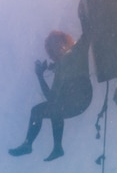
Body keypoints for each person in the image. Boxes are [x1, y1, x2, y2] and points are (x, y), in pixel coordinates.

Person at [7, 23, 93, 162]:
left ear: (66, 41)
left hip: (82, 94)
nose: (57, 48)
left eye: (58, 43)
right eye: (53, 47)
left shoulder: (78, 48)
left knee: (56, 106)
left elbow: (88, 33)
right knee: (38, 111)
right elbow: (51, 98)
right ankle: (30, 144)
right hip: (70, 103)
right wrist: (40, 76)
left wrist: (84, 14)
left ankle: (57, 147)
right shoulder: (59, 69)